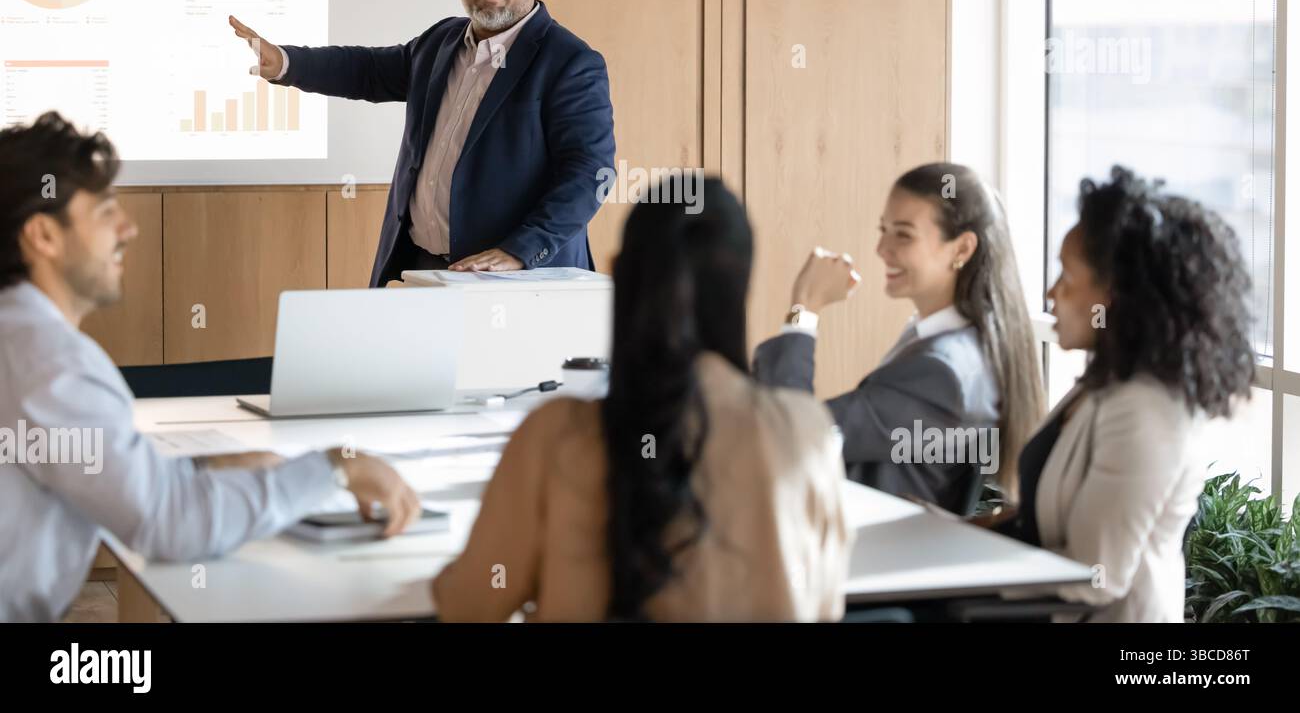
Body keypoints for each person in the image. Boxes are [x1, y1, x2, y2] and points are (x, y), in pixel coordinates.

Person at [0, 112, 421, 622]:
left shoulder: (21, 341)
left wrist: (205, 469)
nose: (128, 228)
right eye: (105, 210)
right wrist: (337, 468)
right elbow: (167, 523)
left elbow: (119, 479)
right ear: (43, 235)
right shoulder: (48, 361)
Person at [432, 178, 849, 621]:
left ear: (619, 273)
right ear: (742, 287)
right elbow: (824, 606)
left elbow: (469, 605)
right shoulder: (808, 433)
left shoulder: (556, 435)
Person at [229, 0, 616, 285]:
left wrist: (520, 250)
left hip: (512, 277)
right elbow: (367, 70)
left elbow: (590, 173)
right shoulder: (442, 42)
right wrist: (286, 62)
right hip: (420, 267)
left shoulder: (570, 62)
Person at [983, 167, 1254, 622]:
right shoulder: (1107, 383)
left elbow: (1096, 576)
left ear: (1113, 297)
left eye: (1066, 277)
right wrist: (947, 534)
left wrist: (959, 569)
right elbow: (1041, 524)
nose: (1051, 295)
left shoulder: (1146, 409)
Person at [753, 162, 1044, 512]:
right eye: (883, 229)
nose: (881, 248)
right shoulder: (962, 341)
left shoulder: (942, 373)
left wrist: (805, 307)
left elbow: (786, 438)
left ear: (962, 249)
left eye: (903, 234)